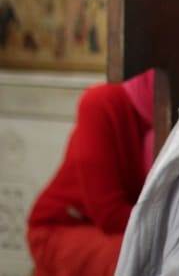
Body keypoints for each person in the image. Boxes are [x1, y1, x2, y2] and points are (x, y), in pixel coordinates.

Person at [26, 69, 154, 276]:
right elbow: (109, 214)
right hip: (64, 226)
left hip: (131, 230)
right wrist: (172, 228)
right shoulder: (101, 102)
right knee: (142, 261)